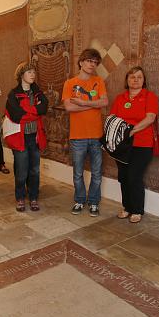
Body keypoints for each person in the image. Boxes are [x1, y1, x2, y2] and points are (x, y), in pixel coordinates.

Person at [109, 66, 159, 223]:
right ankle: (127, 207)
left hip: (142, 144)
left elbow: (150, 118)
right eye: (132, 77)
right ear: (127, 80)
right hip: (122, 145)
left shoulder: (150, 96)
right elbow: (113, 118)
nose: (135, 80)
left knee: (134, 176)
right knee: (123, 176)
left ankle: (137, 210)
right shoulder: (120, 98)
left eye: (139, 77)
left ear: (144, 81)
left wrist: (131, 131)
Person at [62, 48, 108, 216]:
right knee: (78, 173)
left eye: (95, 63)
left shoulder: (99, 81)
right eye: (89, 61)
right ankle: (80, 200)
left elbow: (104, 102)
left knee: (96, 173)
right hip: (77, 136)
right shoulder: (70, 83)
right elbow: (68, 106)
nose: (92, 65)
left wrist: (81, 103)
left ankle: (94, 202)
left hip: (96, 135)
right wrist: (92, 103)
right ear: (81, 62)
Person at [4, 62, 48, 212]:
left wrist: (28, 111)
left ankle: (34, 197)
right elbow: (17, 116)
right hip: (20, 137)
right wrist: (35, 112)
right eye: (29, 72)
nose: (33, 74)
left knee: (34, 170)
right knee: (21, 171)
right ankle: (20, 197)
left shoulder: (37, 92)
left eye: (34, 72)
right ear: (21, 75)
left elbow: (44, 108)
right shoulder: (13, 94)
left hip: (35, 137)